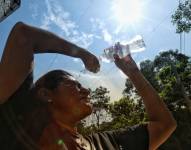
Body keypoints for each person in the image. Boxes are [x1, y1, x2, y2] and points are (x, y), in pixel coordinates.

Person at [0, 22, 177, 150]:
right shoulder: (19, 130)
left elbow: (164, 124)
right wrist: (81, 53)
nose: (86, 90)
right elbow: (23, 35)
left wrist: (133, 73)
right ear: (46, 94)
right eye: (74, 85)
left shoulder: (109, 143)